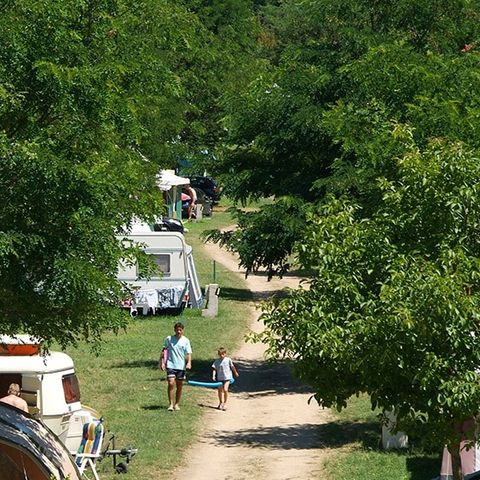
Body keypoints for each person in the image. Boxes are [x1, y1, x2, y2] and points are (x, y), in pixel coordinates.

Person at [160, 322, 192, 411]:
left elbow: (189, 353)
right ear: (174, 330)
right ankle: (170, 404)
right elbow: (164, 350)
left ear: (183, 330)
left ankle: (177, 404)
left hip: (181, 366)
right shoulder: (169, 339)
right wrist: (162, 362)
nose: (178, 331)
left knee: (179, 385)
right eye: (177, 330)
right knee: (171, 383)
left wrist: (189, 362)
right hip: (171, 364)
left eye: (180, 330)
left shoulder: (186, 340)